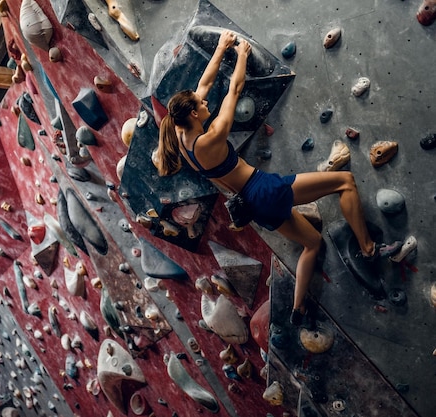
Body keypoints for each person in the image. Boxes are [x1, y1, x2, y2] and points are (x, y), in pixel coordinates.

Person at [156, 30, 401, 326]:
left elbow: (204, 84)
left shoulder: (182, 137)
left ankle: (298, 310)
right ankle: (368, 249)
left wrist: (222, 48)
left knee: (312, 243)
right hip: (263, 190)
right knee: (344, 181)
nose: (206, 102)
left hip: (254, 206)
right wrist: (243, 55)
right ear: (194, 114)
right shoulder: (211, 139)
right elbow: (234, 90)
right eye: (202, 105)